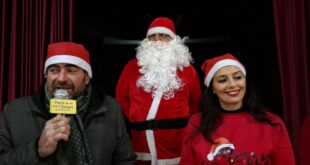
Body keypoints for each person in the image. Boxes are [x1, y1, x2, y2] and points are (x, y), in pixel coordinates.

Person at [0, 42, 136, 165]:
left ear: (87, 77)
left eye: (71, 71)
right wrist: (37, 150)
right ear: (46, 75)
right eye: (54, 70)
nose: (61, 78)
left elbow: (125, 160)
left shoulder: (111, 109)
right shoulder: (13, 112)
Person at [180, 53, 296, 164]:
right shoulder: (197, 123)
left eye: (237, 77)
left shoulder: (272, 123)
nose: (232, 84)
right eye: (222, 80)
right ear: (213, 89)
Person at [116, 17, 202, 164]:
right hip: (141, 143)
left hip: (176, 143)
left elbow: (196, 102)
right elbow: (121, 98)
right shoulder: (131, 67)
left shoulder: (188, 70)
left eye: (163, 35)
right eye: (152, 36)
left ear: (174, 40)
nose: (157, 40)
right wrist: (137, 117)